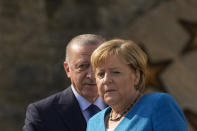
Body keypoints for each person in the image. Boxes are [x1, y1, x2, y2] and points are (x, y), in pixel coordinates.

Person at [87, 39, 188, 131]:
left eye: (115, 72)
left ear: (136, 76)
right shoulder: (93, 124)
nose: (106, 80)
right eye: (101, 74)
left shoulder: (159, 104)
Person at [23, 34, 107, 131]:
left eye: (98, 65)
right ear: (67, 69)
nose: (92, 75)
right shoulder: (43, 114)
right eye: (83, 66)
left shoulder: (124, 107)